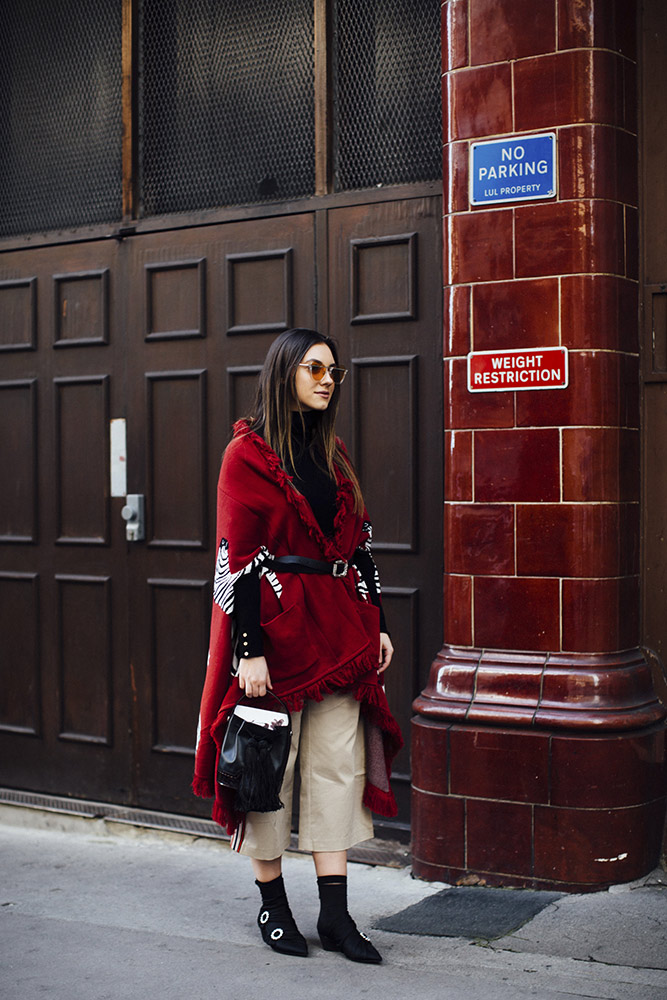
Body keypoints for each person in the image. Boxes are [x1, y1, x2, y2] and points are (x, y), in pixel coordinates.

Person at [193, 328, 403, 963]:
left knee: (337, 770)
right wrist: (248, 650)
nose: (325, 379)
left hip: (341, 631)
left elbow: (359, 543)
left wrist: (379, 621)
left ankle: (336, 917)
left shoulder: (334, 454)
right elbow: (239, 556)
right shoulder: (246, 454)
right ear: (283, 372)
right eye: (313, 368)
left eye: (333, 371)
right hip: (277, 636)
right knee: (269, 769)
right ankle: (274, 906)